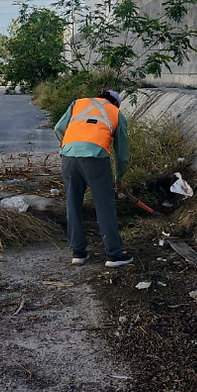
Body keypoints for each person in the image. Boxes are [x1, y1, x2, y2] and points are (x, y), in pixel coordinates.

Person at [54, 90, 133, 268]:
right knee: (105, 206)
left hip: (68, 156)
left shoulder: (78, 103)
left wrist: (68, 146)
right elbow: (122, 154)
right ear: (115, 103)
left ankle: (78, 253)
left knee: (73, 204)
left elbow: (58, 128)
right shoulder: (116, 113)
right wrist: (119, 177)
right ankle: (114, 254)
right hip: (95, 157)